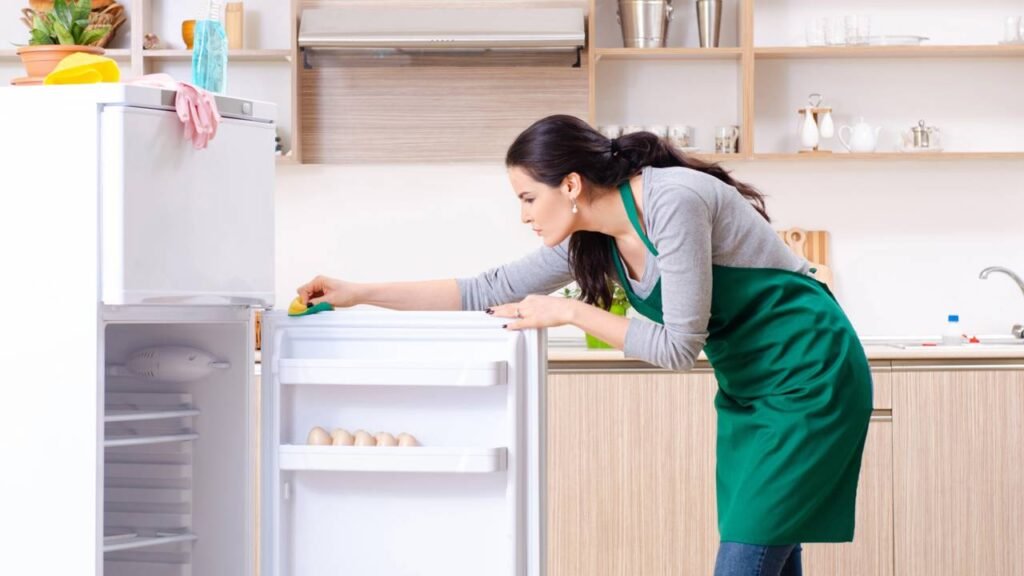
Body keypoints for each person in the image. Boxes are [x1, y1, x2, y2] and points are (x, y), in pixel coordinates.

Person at [296, 114, 874, 576]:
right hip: (750, 391)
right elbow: (484, 289)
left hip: (811, 378)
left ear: (570, 185)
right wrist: (360, 291)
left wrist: (570, 311)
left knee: (746, 555)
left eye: (527, 197)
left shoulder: (672, 203)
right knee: (768, 551)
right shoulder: (592, 238)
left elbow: (678, 348)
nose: (522, 214)